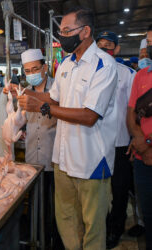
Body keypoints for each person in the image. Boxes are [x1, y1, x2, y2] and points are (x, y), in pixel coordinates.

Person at [15, 6, 118, 249]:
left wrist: (41, 108)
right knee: (66, 221)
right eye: (60, 31)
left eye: (66, 31)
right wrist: (27, 93)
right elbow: (53, 98)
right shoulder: (66, 65)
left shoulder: (103, 65)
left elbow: (90, 115)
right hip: (62, 160)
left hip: (91, 159)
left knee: (93, 226)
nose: (61, 36)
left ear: (85, 31)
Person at [96, 31, 137, 249]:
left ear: (117, 49)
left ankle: (116, 229)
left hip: (120, 142)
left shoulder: (128, 74)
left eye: (108, 45)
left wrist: (134, 136)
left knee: (119, 191)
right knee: (98, 192)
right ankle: (100, 227)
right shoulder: (91, 71)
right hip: (96, 143)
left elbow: (134, 109)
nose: (104, 48)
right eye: (100, 45)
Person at [20, 49, 62, 249]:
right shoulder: (23, 92)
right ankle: (38, 239)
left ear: (45, 67)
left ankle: (56, 242)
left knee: (57, 207)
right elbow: (20, 121)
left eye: (35, 69)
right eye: (28, 71)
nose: (32, 73)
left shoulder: (58, 89)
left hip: (53, 157)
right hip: (33, 158)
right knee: (37, 204)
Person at [127, 28, 152, 250]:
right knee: (148, 214)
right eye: (147, 46)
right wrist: (141, 143)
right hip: (143, 157)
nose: (149, 51)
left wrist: (148, 143)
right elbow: (131, 114)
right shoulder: (140, 76)